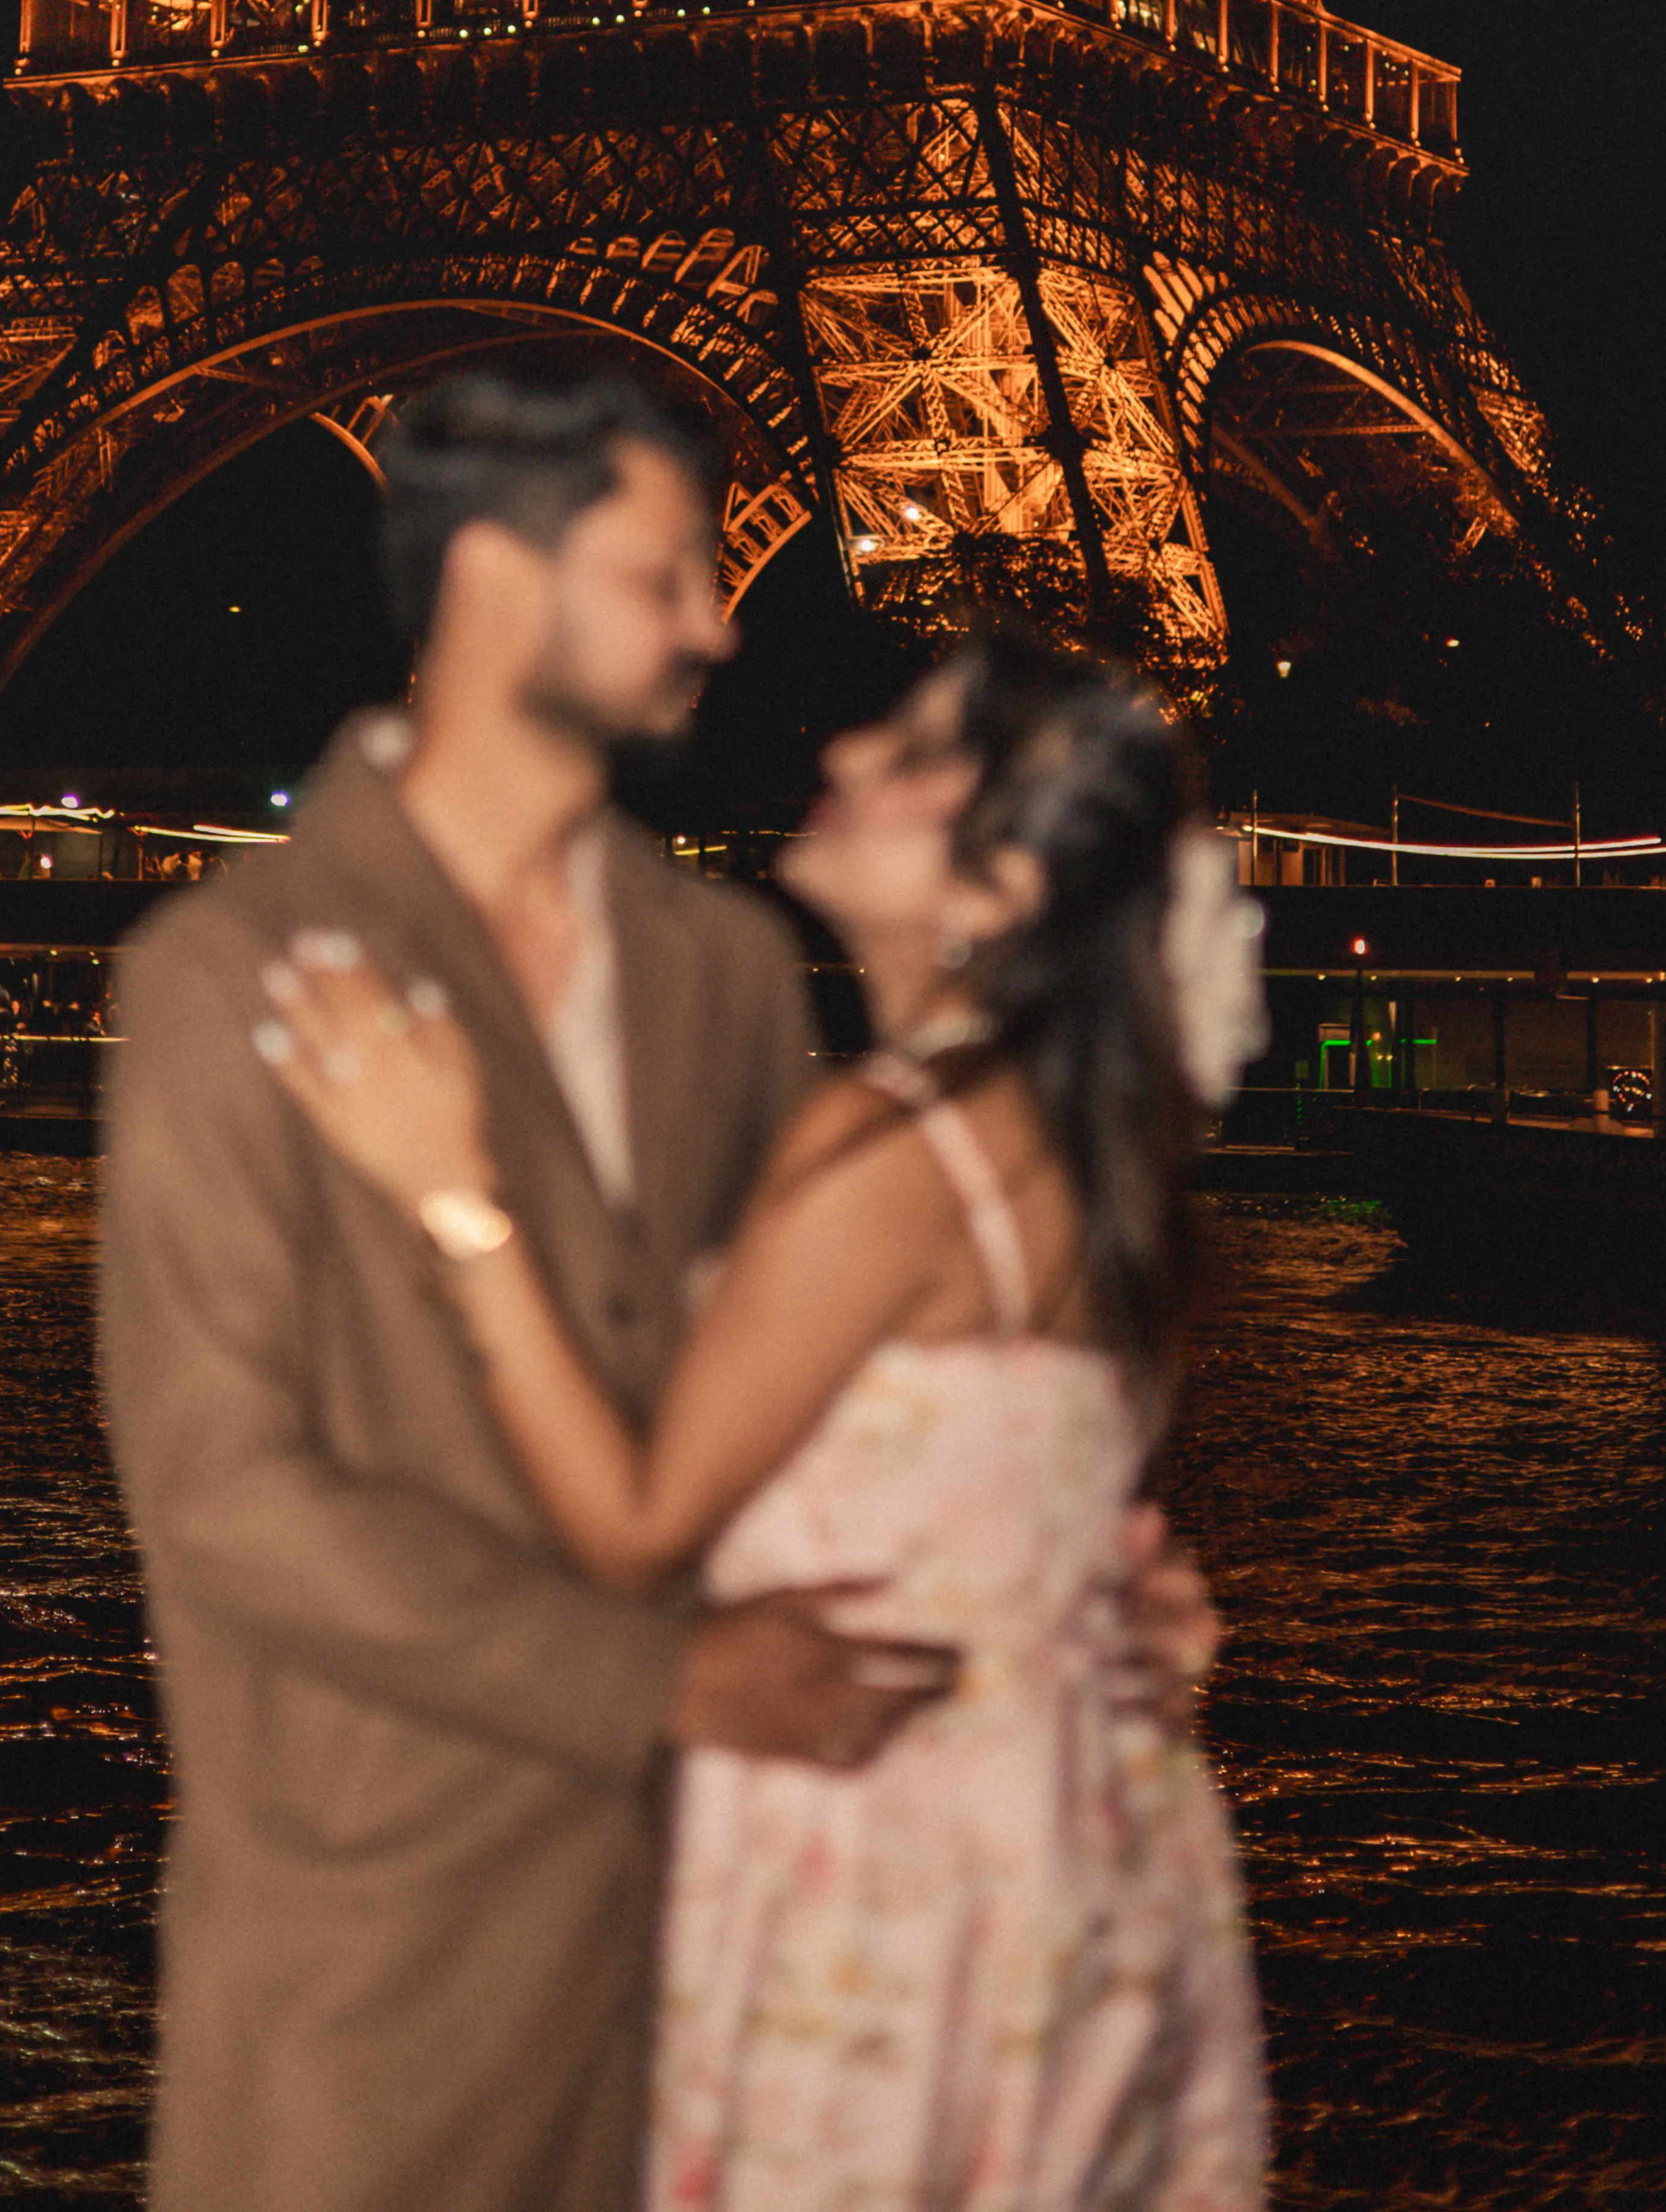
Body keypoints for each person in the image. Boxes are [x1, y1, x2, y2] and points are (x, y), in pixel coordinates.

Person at [99, 365, 962, 2212]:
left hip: (714, 1993)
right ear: (495, 580)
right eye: (665, 578)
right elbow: (224, 1499)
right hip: (379, 1995)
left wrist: (1018, 1618)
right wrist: (662, 1681)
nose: (720, 626)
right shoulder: (225, 972)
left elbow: (791, 1413)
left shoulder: (728, 970)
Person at [260, 634, 1270, 2210]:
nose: (853, 754)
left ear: (1001, 889)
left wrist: (448, 1192)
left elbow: (636, 1525)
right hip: (1041, 1847)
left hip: (866, 1851)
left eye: (923, 758)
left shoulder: (896, 1142)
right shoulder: (1070, 1148)